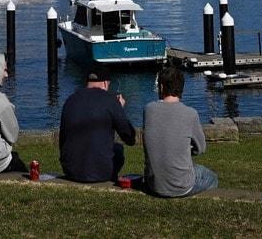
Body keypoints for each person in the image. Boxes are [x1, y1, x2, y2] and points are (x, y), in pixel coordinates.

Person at [142, 65, 216, 197]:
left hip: (153, 184)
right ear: (181, 88)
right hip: (182, 186)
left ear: (162, 87)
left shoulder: (149, 110)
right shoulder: (190, 114)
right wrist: (184, 148)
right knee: (211, 176)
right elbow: (201, 148)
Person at [58, 64, 136, 183]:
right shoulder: (110, 101)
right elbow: (130, 137)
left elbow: (62, 140)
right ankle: (110, 179)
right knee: (118, 149)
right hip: (101, 173)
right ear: (105, 83)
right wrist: (119, 109)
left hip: (70, 170)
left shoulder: (70, 100)